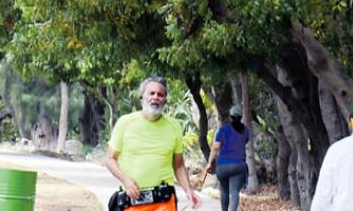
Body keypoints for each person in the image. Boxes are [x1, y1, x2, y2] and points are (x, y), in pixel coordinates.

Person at [105, 76, 202, 211]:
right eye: (151, 93)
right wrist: (126, 181)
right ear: (142, 98)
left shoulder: (174, 126)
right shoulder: (125, 123)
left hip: (164, 202)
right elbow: (110, 159)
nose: (155, 97)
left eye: (160, 94)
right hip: (132, 200)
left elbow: (178, 165)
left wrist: (189, 191)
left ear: (165, 100)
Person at [207, 104, 250, 211]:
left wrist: (209, 163)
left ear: (230, 116)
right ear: (241, 117)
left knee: (224, 192)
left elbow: (216, 148)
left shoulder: (223, 130)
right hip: (238, 166)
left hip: (222, 166)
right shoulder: (245, 130)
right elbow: (245, 141)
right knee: (234, 191)